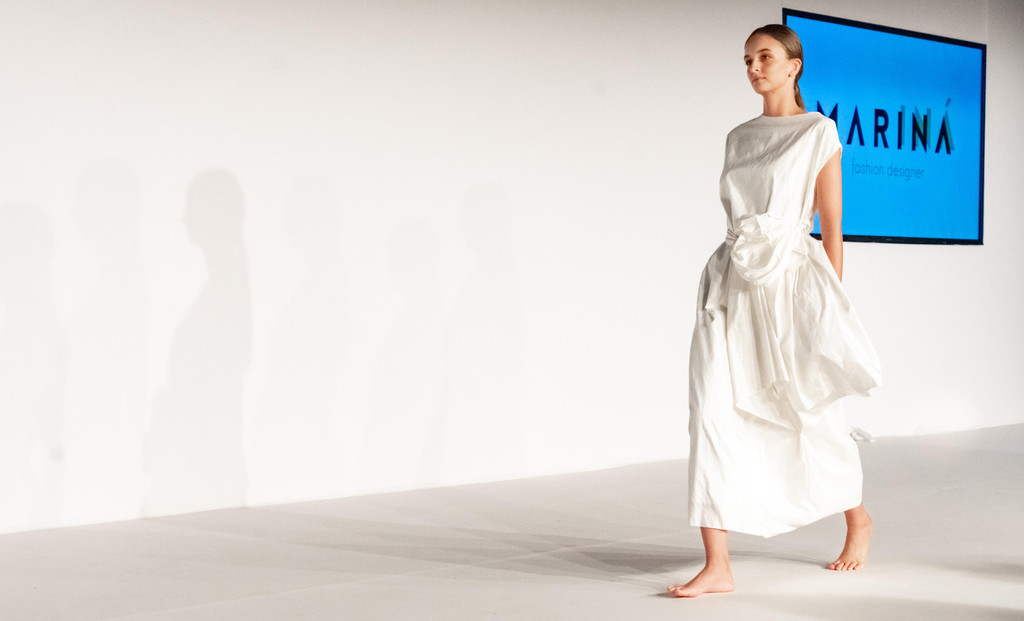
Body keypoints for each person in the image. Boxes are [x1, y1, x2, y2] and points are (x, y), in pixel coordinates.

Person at [668, 24, 883, 598]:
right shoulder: (738, 137)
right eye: (747, 60)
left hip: (790, 283)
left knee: (806, 410)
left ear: (794, 65)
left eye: (764, 56)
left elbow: (831, 225)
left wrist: (828, 307)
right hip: (731, 281)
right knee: (711, 411)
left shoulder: (818, 131)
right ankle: (718, 564)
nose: (754, 68)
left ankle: (857, 518)